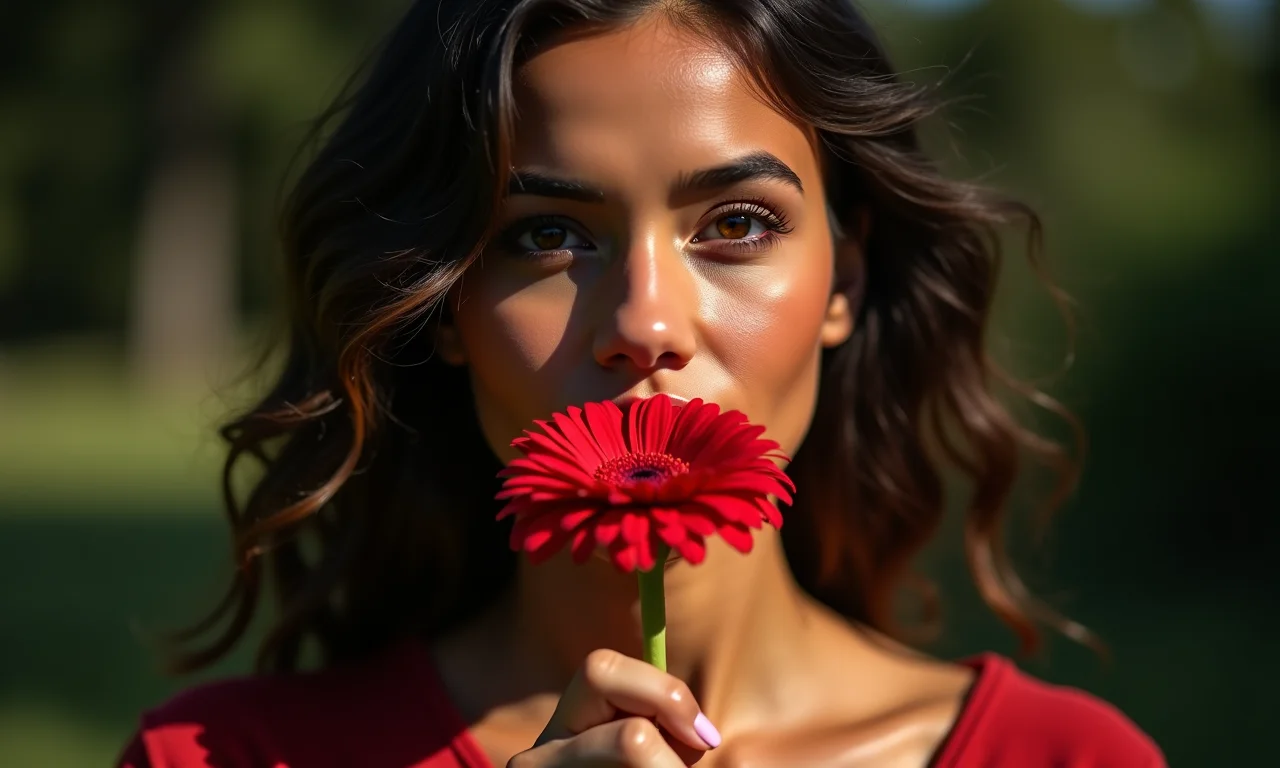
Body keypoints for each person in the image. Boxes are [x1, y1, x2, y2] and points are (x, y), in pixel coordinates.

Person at [117, 0, 1166, 766]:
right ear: (443, 307)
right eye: (547, 235)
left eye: (736, 224)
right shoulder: (220, 755)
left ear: (842, 278)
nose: (644, 326)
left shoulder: (1063, 755)